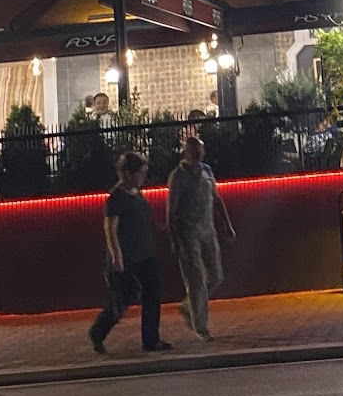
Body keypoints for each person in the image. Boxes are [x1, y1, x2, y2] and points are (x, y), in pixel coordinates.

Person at [88, 150, 171, 356]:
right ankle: (98, 332)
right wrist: (117, 256)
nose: (143, 177)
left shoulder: (137, 194)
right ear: (127, 173)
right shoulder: (116, 198)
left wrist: (161, 228)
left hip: (146, 253)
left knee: (152, 294)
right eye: (140, 172)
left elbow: (145, 219)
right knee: (124, 298)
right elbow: (110, 228)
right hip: (127, 256)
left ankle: (151, 340)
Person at [167, 132, 235, 341]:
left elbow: (216, 199)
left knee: (216, 276)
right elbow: (172, 211)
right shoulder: (178, 176)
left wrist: (227, 225)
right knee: (196, 280)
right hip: (188, 233)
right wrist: (175, 239)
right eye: (195, 150)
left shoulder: (207, 171)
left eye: (201, 150)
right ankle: (201, 327)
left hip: (208, 230)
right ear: (186, 152)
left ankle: (189, 306)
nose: (199, 154)